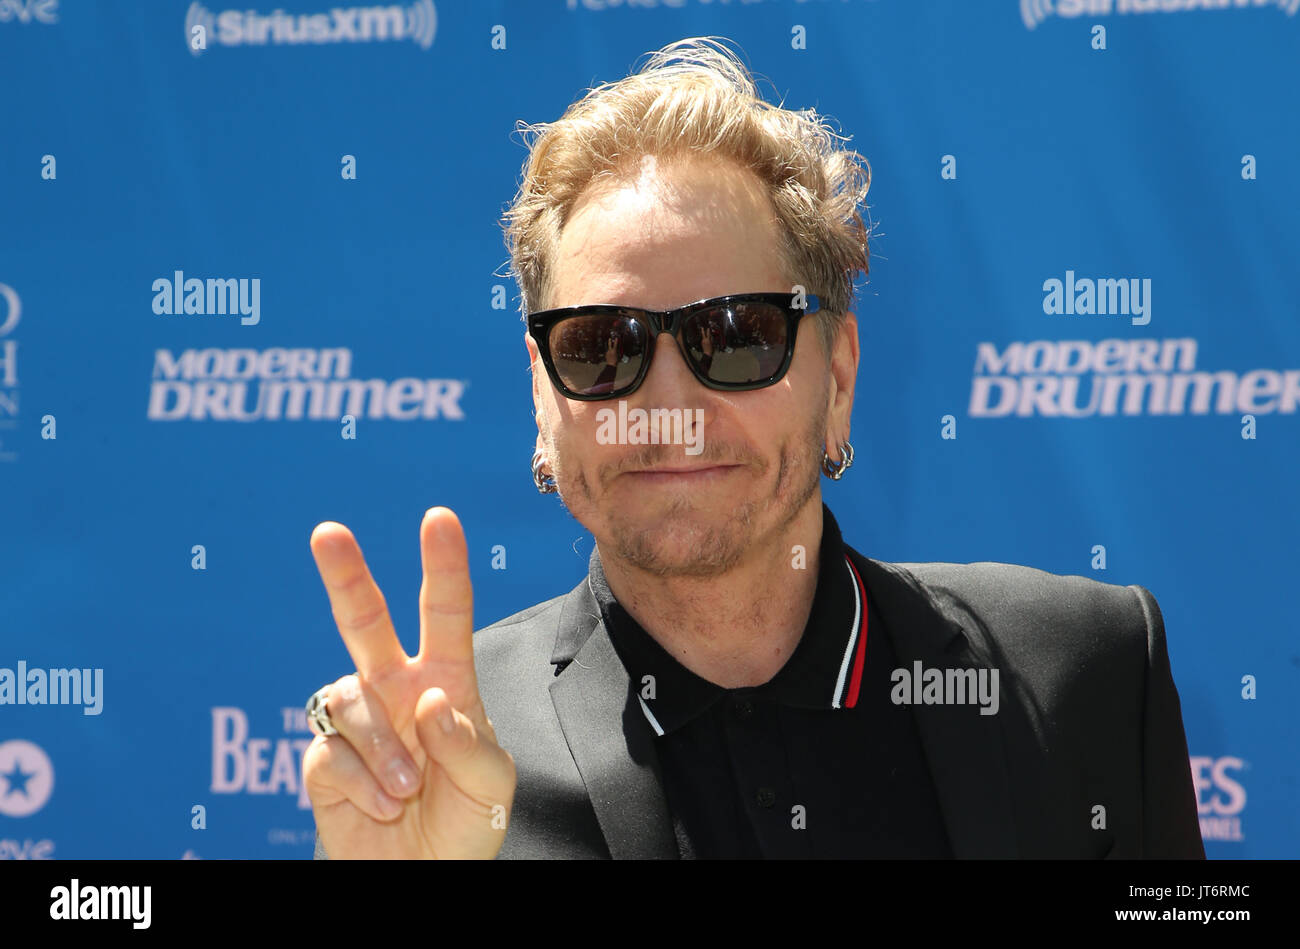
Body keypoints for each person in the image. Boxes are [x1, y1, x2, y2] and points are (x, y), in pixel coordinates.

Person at [302, 37, 1204, 860]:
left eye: (736, 335)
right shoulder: (440, 755)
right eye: (599, 347)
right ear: (543, 395)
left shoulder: (1087, 672)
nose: (667, 406)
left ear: (838, 375)